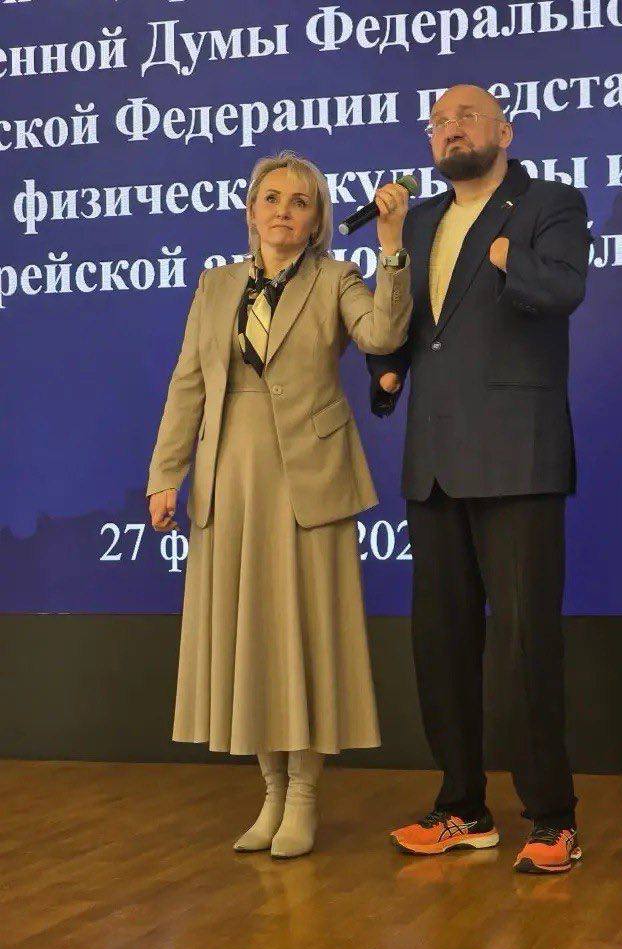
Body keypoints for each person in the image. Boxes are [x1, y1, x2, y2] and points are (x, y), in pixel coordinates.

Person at [147, 151, 411, 859]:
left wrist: (391, 249)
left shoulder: (336, 278)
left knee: (306, 635)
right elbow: (187, 384)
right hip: (229, 478)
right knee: (250, 638)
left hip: (308, 481)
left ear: (318, 219)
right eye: (271, 198)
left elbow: (383, 335)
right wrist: (166, 473)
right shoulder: (215, 286)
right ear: (250, 210)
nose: (284, 211)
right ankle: (269, 791)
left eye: (300, 201)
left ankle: (303, 797)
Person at [367, 85, 590, 874]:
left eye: (466, 117)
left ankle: (552, 819)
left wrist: (507, 257)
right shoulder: (420, 219)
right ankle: (463, 807)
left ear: (505, 131)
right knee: (441, 645)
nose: (450, 129)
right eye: (438, 122)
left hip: (517, 456)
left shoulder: (549, 203)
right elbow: (411, 321)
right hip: (434, 460)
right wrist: (387, 367)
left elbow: (563, 290)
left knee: (526, 646)